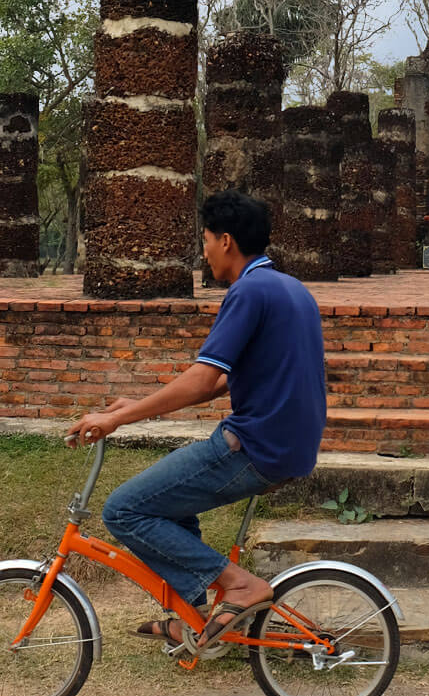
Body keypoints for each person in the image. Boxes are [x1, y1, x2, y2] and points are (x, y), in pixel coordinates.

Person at [67, 189, 327, 648]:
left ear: (226, 241)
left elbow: (204, 381)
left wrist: (116, 422)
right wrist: (132, 407)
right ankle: (195, 615)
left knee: (124, 509)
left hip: (254, 445)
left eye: (205, 240)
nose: (203, 252)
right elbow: (233, 378)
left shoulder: (248, 291)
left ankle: (240, 586)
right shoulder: (292, 289)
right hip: (289, 445)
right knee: (169, 503)